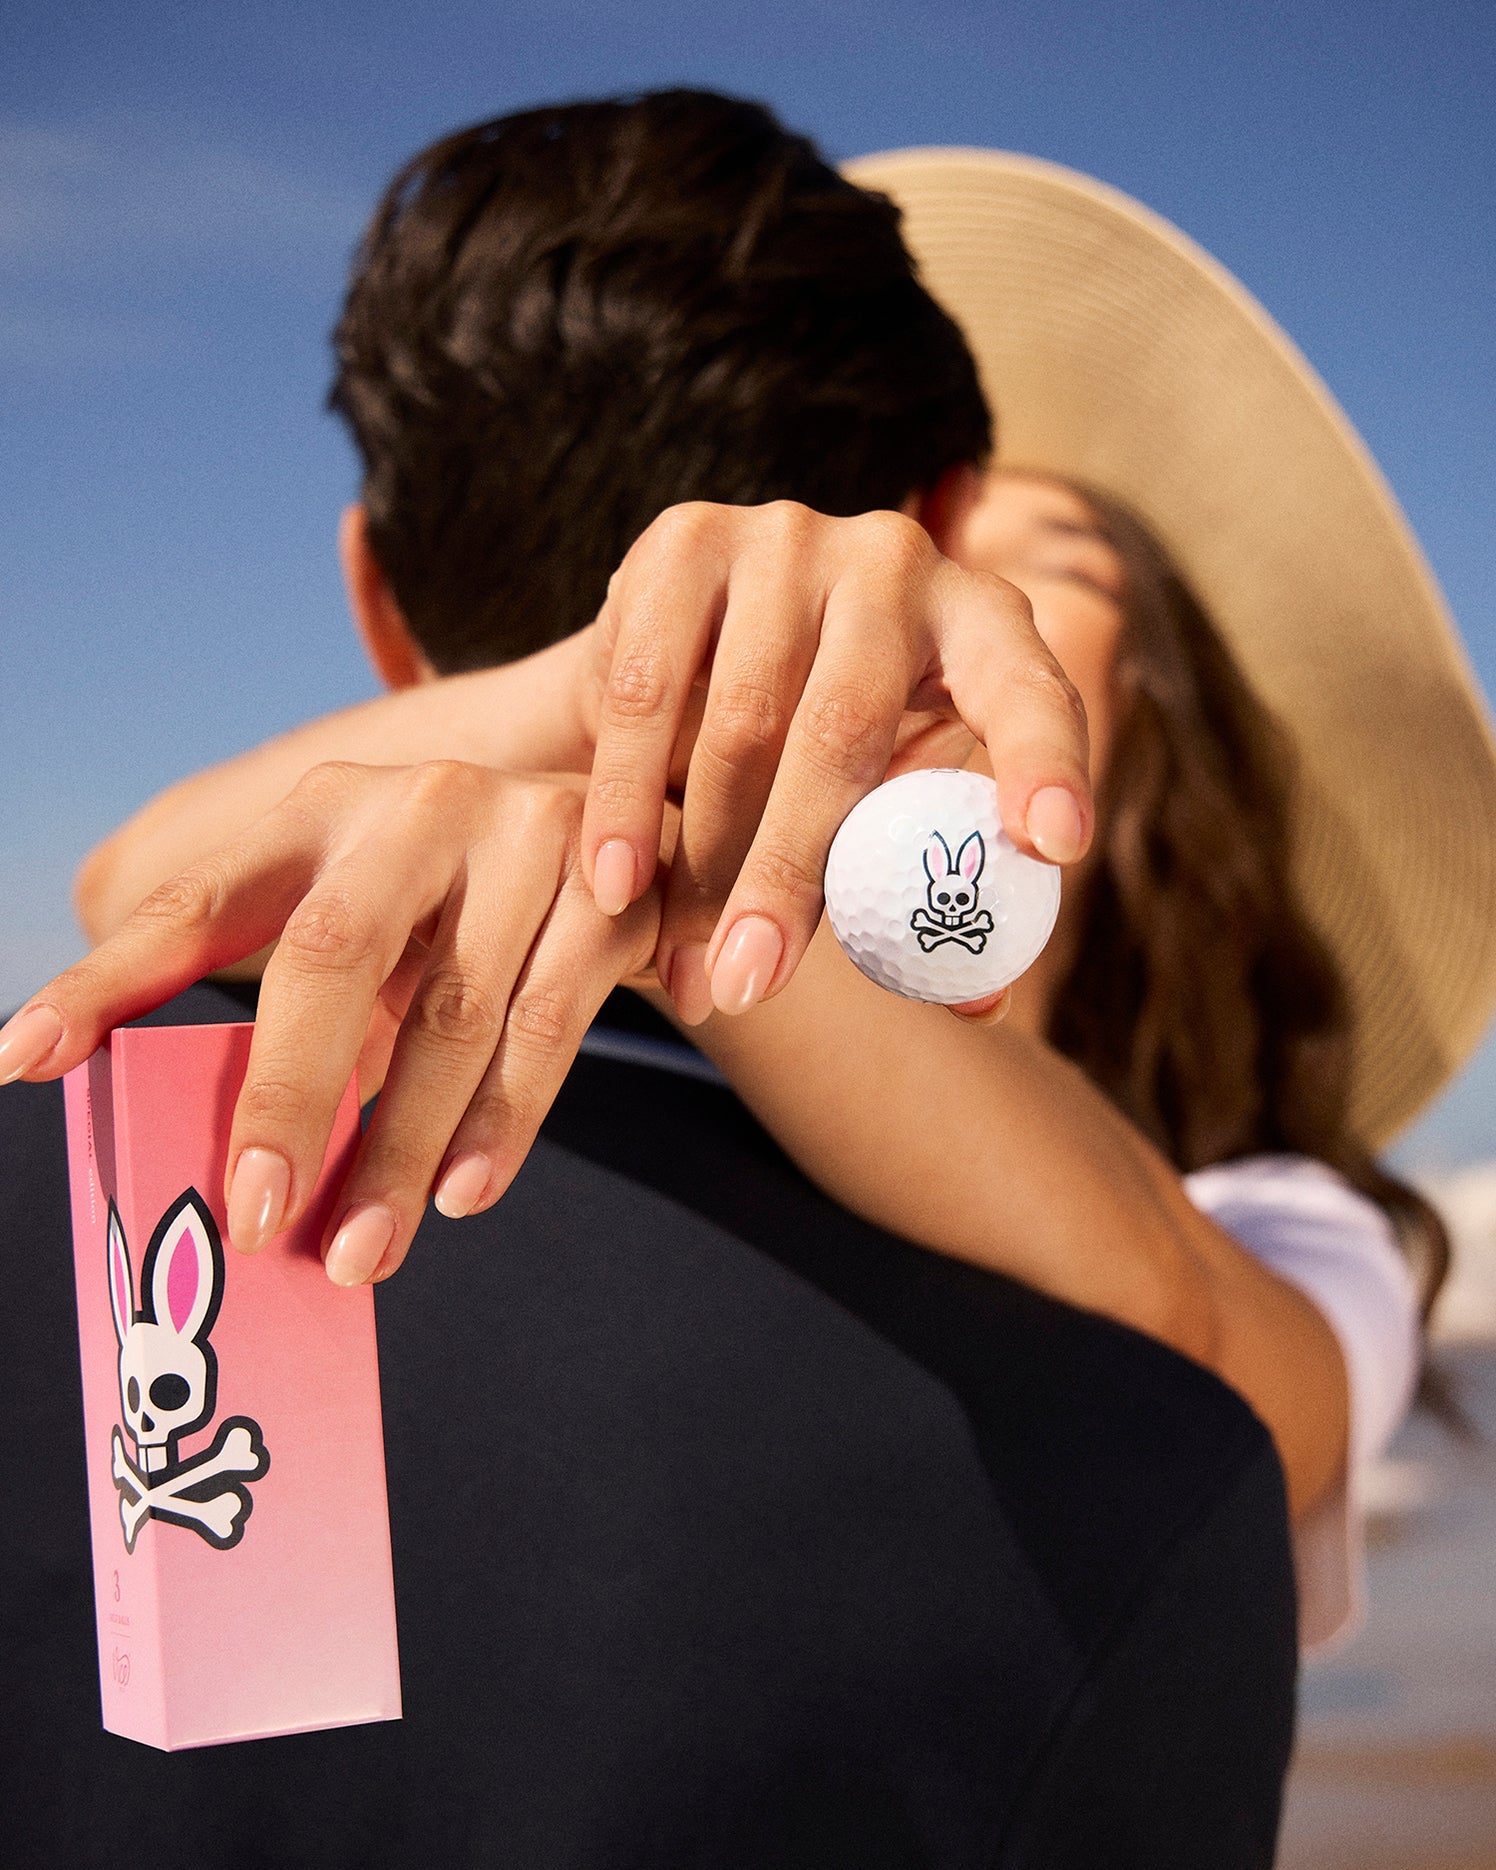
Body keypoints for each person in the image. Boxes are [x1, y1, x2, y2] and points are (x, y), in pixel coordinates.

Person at [5, 90, 1488, 1862]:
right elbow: (138, 882)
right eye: (973, 576)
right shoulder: (1063, 1399)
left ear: (371, 601)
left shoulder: (1254, 1232)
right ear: (935, 522)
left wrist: (658, 837)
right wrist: (618, 721)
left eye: (1059, 593)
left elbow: (1192, 1309)